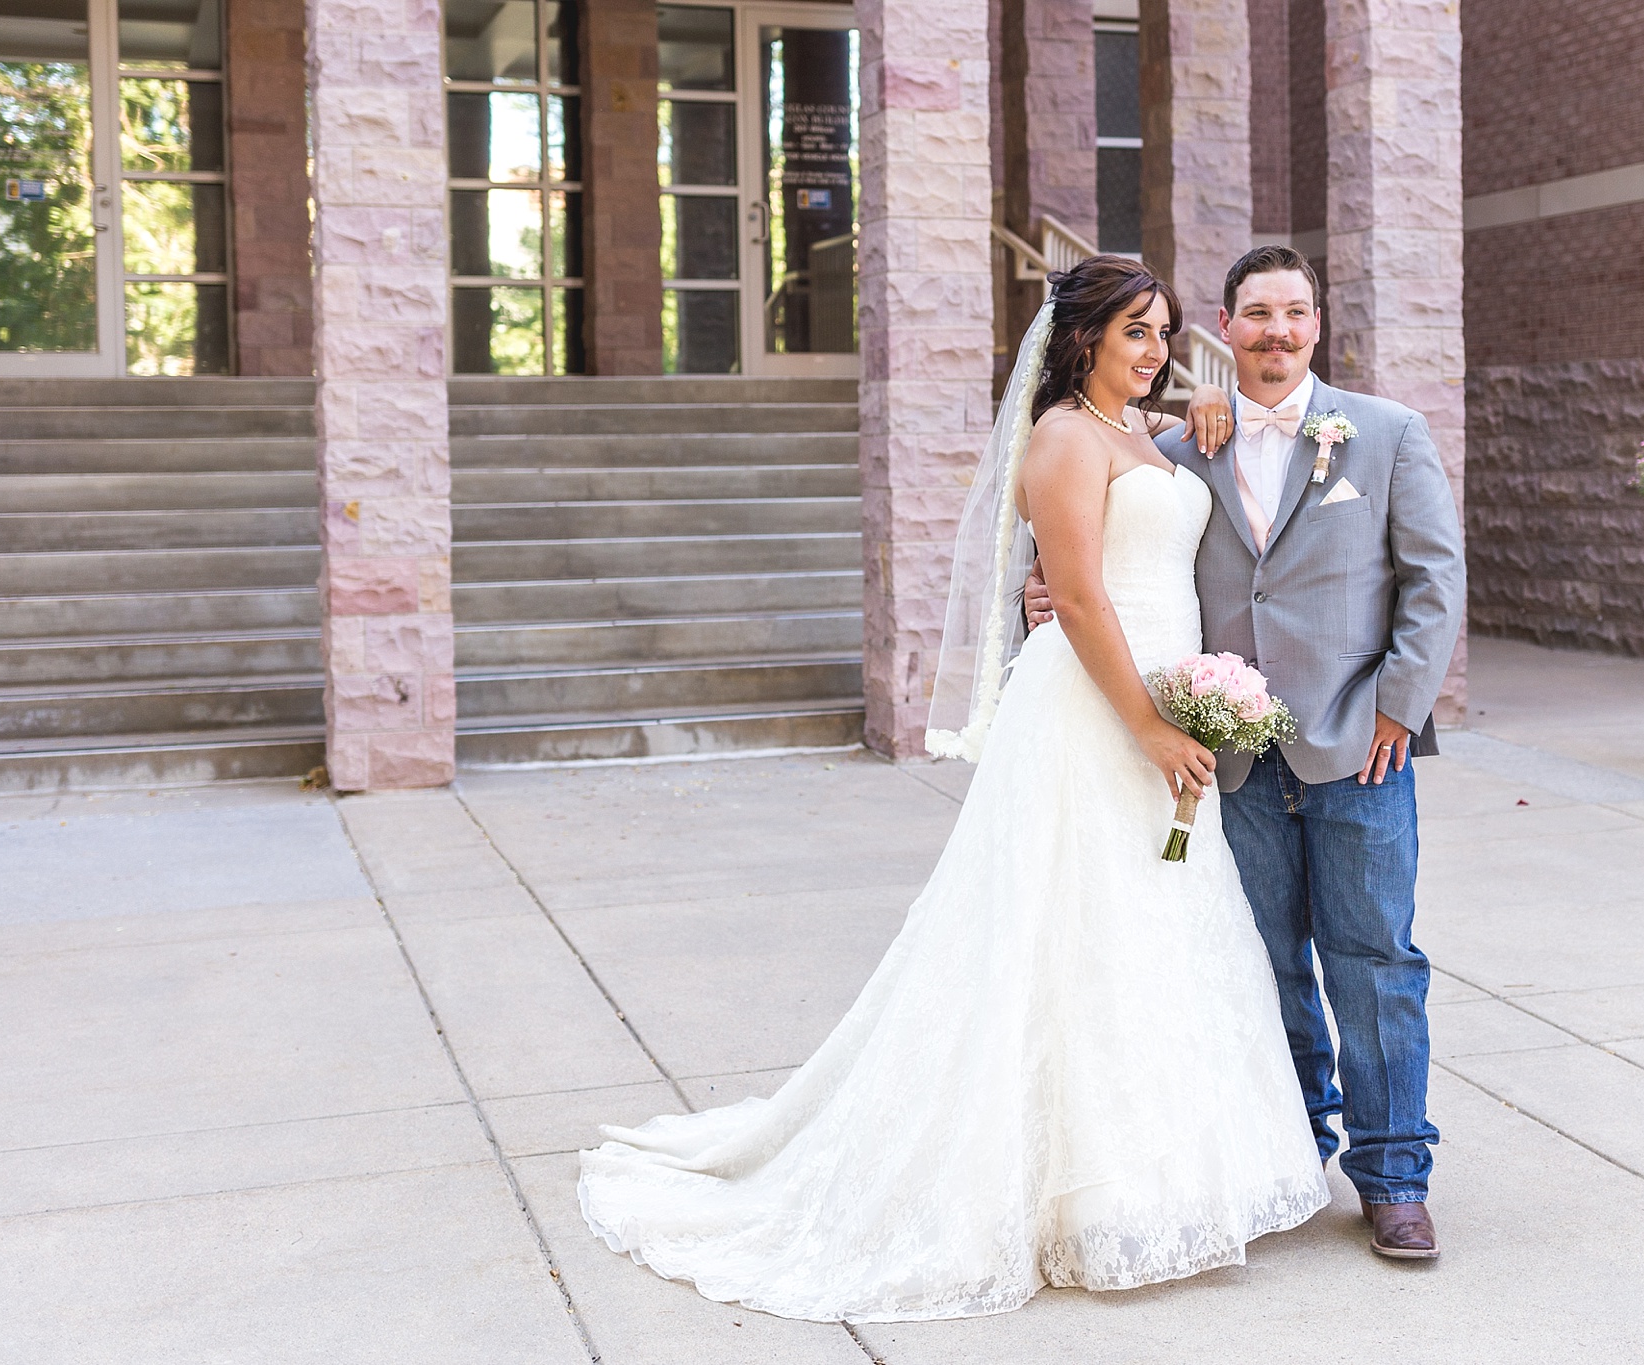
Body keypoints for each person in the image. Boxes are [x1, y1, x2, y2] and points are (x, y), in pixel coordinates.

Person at [577, 256, 1330, 1323]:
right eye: (1134, 334)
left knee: (1144, 937)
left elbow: (1163, 488)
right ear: (1080, 342)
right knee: (1061, 938)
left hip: (1156, 704)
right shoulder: (1065, 438)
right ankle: (1069, 1198)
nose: (1155, 351)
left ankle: (1151, 1183)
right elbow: (1071, 594)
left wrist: (1199, 408)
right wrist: (1152, 727)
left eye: (1162, 332)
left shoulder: (1130, 433)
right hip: (1097, 716)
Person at [1026, 244, 1466, 1258]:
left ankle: (1393, 1174)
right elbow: (1081, 556)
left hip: (1358, 747)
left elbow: (1432, 580)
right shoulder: (1178, 448)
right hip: (1228, 757)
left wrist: (1398, 708)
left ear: (1317, 325)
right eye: (1255, 313)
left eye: (1294, 313)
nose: (1275, 330)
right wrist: (1033, 597)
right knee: (1260, 963)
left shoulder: (1387, 433)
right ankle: (1288, 1150)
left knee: (1374, 963)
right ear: (1223, 329)